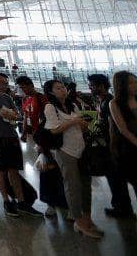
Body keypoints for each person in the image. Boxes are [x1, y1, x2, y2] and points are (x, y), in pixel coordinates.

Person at [42, 79, 101, 238]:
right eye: (58, 88)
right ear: (51, 92)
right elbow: (54, 130)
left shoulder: (73, 105)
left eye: (63, 87)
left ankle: (88, 218)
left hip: (81, 148)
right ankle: (78, 221)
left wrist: (83, 123)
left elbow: (79, 126)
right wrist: (74, 121)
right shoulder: (50, 107)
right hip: (65, 151)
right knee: (73, 186)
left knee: (86, 184)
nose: (63, 90)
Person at [0, 73, 40, 218]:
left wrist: (11, 115)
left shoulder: (6, 98)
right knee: (1, 169)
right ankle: (6, 201)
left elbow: (18, 115)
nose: (3, 85)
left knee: (14, 170)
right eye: (0, 82)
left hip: (11, 136)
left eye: (5, 83)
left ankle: (21, 201)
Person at [88, 73, 134, 219]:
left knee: (117, 180)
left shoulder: (110, 102)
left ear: (101, 86)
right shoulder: (102, 101)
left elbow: (114, 128)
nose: (90, 88)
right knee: (116, 180)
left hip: (116, 147)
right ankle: (121, 208)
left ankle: (123, 209)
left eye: (92, 85)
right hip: (112, 147)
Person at [108, 71, 137, 220]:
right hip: (127, 148)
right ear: (122, 86)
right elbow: (123, 129)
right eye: (131, 83)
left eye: (135, 81)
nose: (135, 85)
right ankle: (124, 210)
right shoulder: (114, 103)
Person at [17, 75, 48, 144]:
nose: (22, 90)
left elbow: (48, 116)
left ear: (31, 85)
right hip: (34, 132)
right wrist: (24, 132)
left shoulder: (42, 98)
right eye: (20, 88)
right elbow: (26, 116)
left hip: (44, 131)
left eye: (24, 87)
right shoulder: (25, 99)